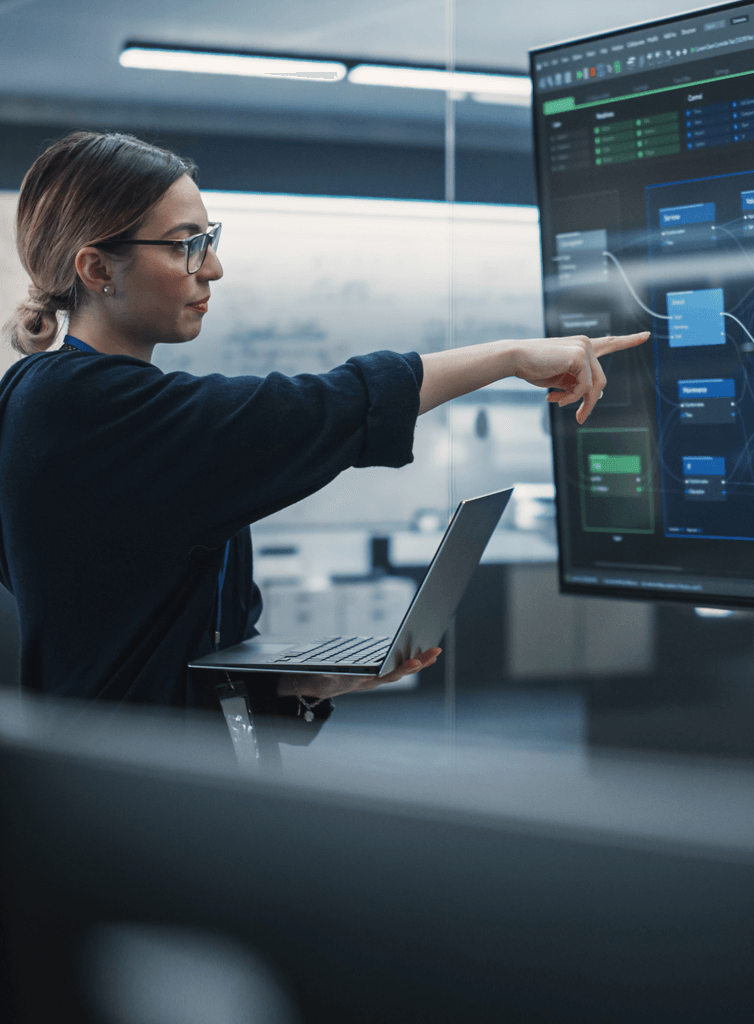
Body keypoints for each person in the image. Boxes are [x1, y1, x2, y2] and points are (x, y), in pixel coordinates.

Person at [0, 129, 647, 729]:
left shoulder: (65, 400)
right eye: (184, 244)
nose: (213, 268)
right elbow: (325, 407)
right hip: (119, 797)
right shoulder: (78, 404)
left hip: (168, 780)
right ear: (97, 269)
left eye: (210, 238)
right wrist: (508, 357)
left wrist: (303, 681)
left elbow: (148, 639)